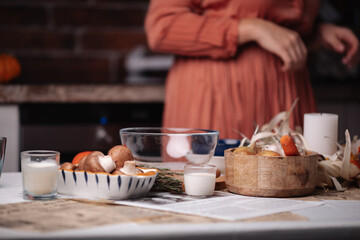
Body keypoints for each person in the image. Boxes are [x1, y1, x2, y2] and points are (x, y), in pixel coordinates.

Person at [145, 0, 359, 139]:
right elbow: (162, 27)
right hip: (219, 97)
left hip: (288, 94)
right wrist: (250, 28)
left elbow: (280, 22)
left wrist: (316, 33)